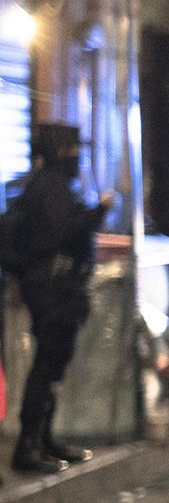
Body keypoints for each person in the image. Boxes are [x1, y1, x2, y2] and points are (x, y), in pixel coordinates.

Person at [6, 124, 111, 476]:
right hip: (50, 290)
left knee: (52, 368)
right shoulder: (47, 187)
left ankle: (44, 440)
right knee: (45, 368)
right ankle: (28, 446)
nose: (76, 157)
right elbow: (64, 231)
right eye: (69, 150)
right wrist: (98, 212)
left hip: (58, 289)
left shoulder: (52, 186)